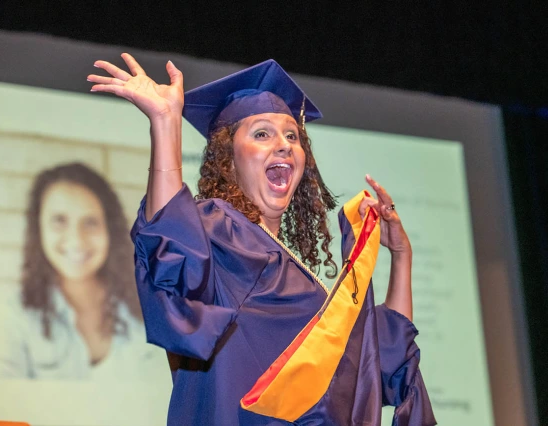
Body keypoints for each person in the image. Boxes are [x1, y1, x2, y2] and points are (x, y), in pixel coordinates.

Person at [88, 54, 436, 425]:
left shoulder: (302, 276)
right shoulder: (220, 230)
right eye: (262, 133)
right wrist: (165, 123)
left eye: (292, 136)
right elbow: (171, 248)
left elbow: (383, 357)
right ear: (228, 160)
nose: (285, 145)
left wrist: (401, 255)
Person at [0, 162, 158, 380]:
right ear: (39, 230)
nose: (76, 240)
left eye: (90, 222)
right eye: (59, 221)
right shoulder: (13, 318)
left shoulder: (147, 307)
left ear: (109, 230)